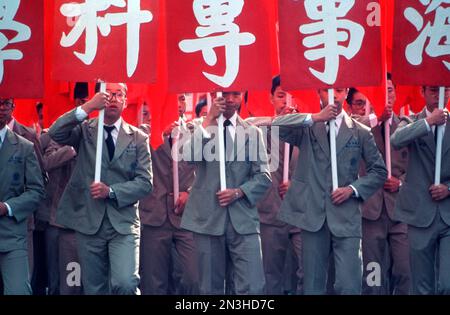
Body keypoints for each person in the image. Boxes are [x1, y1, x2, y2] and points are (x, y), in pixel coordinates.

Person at [272, 88, 387, 295]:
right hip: (313, 217)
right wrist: (315, 117)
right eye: (326, 90)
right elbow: (276, 126)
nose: (333, 95)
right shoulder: (308, 127)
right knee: (312, 286)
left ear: (345, 94)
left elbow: (379, 171)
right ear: (318, 92)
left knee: (348, 285)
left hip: (346, 217)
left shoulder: (360, 131)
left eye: (339, 91)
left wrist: (352, 190)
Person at [48, 82, 153, 295]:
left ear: (125, 100)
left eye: (118, 94)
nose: (112, 98)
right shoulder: (86, 131)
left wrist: (112, 191)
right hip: (89, 221)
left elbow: (145, 183)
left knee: (125, 282)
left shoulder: (138, 138)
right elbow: (56, 132)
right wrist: (88, 107)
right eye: (108, 94)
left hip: (123, 224)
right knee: (94, 288)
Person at [181, 91, 272, 294]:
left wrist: (239, 192)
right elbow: (188, 157)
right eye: (225, 94)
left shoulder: (252, 132)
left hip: (243, 220)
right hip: (207, 220)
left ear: (242, 96)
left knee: (253, 287)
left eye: (236, 94)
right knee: (210, 288)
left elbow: (264, 177)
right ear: (214, 94)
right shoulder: (198, 127)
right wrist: (208, 120)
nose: (230, 99)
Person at [347, 77, 411, 295]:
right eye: (381, 91)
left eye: (390, 91)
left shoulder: (406, 126)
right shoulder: (359, 125)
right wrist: (376, 118)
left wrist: (401, 183)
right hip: (370, 213)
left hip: (400, 213)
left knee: (405, 270)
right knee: (374, 274)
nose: (387, 96)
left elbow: (419, 169)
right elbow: (348, 130)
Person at [391, 85, 450, 294]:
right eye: (433, 90)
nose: (439, 95)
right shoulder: (411, 121)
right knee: (421, 285)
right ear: (422, 92)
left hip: (448, 215)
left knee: (447, 284)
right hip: (419, 215)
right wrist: (429, 122)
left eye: (445, 90)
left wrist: (448, 188)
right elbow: (396, 140)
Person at [251, 76, 303, 294]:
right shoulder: (261, 130)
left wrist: (297, 185)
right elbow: (245, 124)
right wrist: (278, 122)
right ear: (271, 98)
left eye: (292, 97)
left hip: (302, 215)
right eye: (281, 96)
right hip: (270, 214)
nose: (287, 102)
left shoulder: (309, 131)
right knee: (271, 277)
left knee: (307, 274)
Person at [139, 120, 199, 295]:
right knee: (154, 283)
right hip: (154, 216)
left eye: (181, 98)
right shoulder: (143, 133)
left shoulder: (197, 133)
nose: (177, 103)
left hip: (186, 218)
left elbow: (208, 170)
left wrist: (190, 192)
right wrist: (159, 132)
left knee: (193, 277)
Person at [0, 98, 45, 294]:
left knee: (18, 289)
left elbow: (37, 191)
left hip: (12, 234)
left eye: (6, 103)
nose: (1, 108)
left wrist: (7, 207)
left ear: (12, 107)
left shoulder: (24, 146)